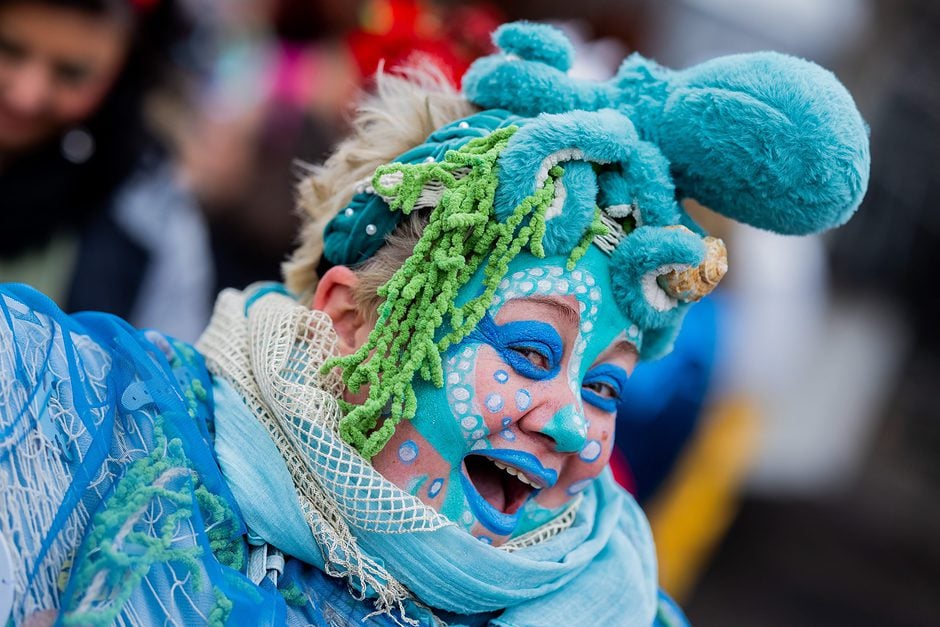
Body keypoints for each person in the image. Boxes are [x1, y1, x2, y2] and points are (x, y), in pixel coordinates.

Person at [0, 21, 869, 626]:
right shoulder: (105, 423)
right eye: (529, 351)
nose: (572, 422)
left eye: (604, 385)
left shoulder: (619, 602)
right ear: (346, 318)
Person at [0, 0, 212, 341]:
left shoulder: (149, 215)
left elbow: (168, 366)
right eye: (8, 49)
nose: (27, 95)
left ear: (124, 68)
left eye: (72, 73)